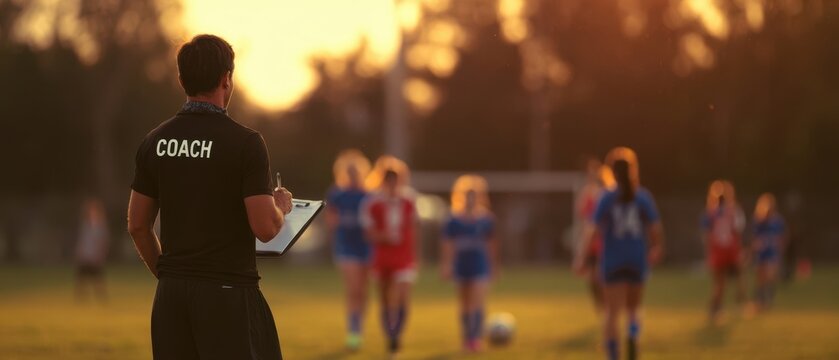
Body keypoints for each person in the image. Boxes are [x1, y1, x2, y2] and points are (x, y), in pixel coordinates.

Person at [126, 34, 293, 360]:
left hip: (171, 297)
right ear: (226, 79)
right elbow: (265, 227)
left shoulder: (155, 141)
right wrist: (281, 207)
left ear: (181, 79)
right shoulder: (246, 143)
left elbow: (137, 225)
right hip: (227, 294)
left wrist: (169, 275)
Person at [574, 147, 664, 360]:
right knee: (634, 309)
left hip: (613, 260)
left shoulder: (606, 197)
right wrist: (657, 247)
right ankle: (632, 336)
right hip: (636, 258)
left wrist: (582, 257)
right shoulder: (642, 197)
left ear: (611, 172)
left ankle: (613, 355)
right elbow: (655, 228)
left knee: (611, 313)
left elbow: (592, 230)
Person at [360, 156, 417, 358]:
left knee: (402, 296)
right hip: (382, 255)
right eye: (388, 179)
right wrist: (382, 236)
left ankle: (396, 335)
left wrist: (414, 254)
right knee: (384, 298)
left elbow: (412, 228)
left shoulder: (408, 200)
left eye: (395, 179)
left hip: (403, 256)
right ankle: (389, 335)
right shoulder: (372, 203)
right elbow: (368, 233)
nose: (392, 183)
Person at [440, 174, 498, 352]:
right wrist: (447, 265)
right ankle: (466, 337)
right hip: (461, 265)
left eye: (474, 194)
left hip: (479, 265)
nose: (470, 198)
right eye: (467, 194)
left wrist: (494, 266)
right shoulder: (453, 220)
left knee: (478, 301)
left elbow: (492, 245)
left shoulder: (486, 219)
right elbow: (447, 245)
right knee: (464, 303)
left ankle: (476, 338)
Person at [325, 149, 373, 350]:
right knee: (353, 289)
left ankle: (359, 327)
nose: (353, 175)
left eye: (356, 171)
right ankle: (353, 332)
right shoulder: (337, 194)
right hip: (346, 248)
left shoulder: (369, 195)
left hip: (367, 248)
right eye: (349, 171)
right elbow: (330, 221)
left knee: (363, 291)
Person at [702, 180, 746, 323]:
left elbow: (707, 235)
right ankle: (737, 300)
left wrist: (709, 251)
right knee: (737, 277)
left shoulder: (711, 213)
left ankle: (717, 306)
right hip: (730, 250)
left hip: (718, 251)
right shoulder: (733, 212)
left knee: (719, 282)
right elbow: (738, 231)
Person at [575, 158, 615, 312]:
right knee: (591, 277)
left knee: (602, 276)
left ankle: (608, 304)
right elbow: (584, 218)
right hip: (591, 243)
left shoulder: (609, 195)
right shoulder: (588, 195)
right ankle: (601, 304)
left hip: (605, 243)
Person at [750, 193, 787, 311]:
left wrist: (780, 249)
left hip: (772, 252)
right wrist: (755, 246)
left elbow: (783, 236)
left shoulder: (778, 221)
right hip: (762, 253)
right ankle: (760, 301)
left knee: (770, 276)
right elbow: (754, 238)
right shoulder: (759, 221)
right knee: (761, 277)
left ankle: (769, 298)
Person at [75, 197, 110, 303]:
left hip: (94, 257)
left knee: (98, 279)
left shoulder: (101, 226)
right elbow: (82, 240)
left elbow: (103, 242)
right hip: (86, 256)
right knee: (81, 278)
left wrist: (100, 255)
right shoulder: (85, 225)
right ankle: (81, 299)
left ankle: (102, 299)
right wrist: (79, 252)